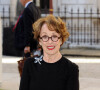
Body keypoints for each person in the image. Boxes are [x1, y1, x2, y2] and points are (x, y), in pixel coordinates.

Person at [19, 15, 79, 90]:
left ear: (61, 40)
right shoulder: (29, 65)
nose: (50, 41)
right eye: (45, 36)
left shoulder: (71, 69)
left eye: (54, 36)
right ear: (40, 41)